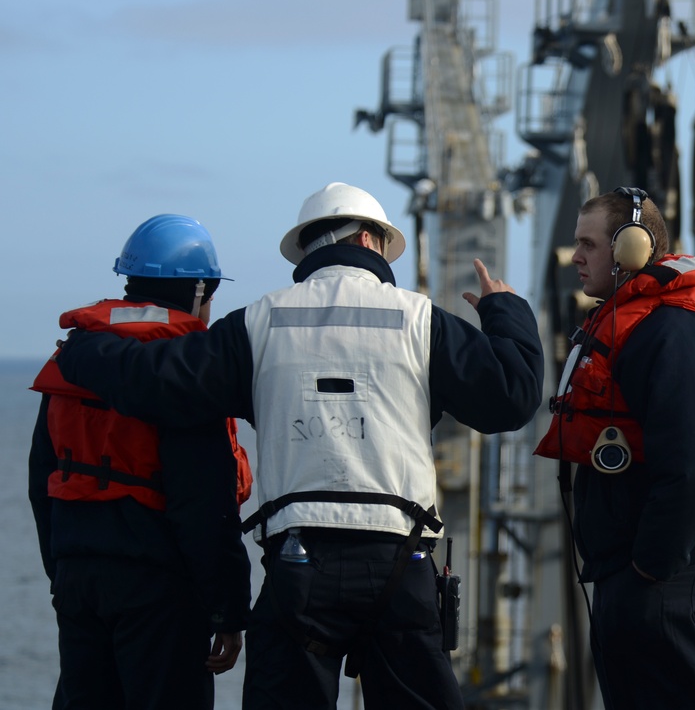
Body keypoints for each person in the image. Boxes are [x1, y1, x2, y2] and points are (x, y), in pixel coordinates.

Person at [54, 181, 545, 710]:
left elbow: (156, 380)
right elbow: (512, 397)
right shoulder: (420, 320)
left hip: (298, 566)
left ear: (306, 250)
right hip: (400, 561)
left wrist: (81, 351)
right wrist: (504, 309)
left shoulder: (260, 322)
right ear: (368, 239)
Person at [534, 187, 695, 709]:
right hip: (639, 577)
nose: (576, 258)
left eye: (588, 244)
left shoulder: (670, 332)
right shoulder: (636, 322)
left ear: (631, 249)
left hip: (663, 583)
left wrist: (648, 568)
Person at [29, 214, 253, 709]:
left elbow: (40, 480)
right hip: (157, 585)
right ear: (199, 291)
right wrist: (228, 610)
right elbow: (203, 504)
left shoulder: (72, 357)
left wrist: (63, 572)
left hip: (77, 577)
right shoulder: (185, 371)